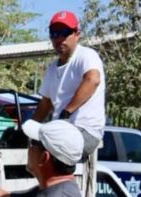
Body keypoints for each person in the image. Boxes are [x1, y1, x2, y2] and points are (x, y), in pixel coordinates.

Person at [31, 11, 105, 159]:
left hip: (85, 130)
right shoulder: (52, 68)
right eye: (54, 33)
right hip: (62, 130)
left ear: (77, 34)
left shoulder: (86, 55)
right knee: (30, 148)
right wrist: (29, 127)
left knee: (46, 157)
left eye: (64, 32)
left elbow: (93, 80)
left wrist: (67, 112)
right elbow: (45, 103)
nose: (59, 38)